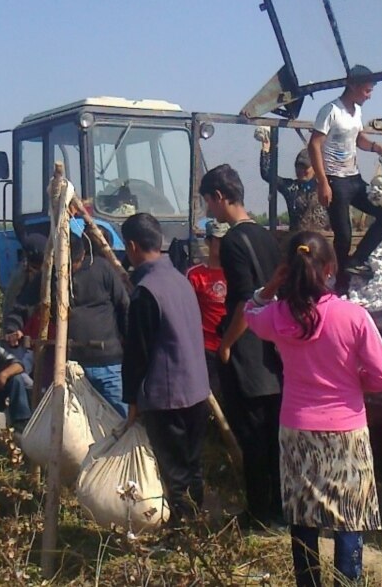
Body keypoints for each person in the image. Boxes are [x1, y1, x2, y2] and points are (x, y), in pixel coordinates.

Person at [244, 232, 382, 587]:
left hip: (296, 428)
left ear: (289, 269)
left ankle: (307, 581)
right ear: (330, 269)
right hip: (346, 429)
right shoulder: (352, 316)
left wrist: (269, 287)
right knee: (349, 513)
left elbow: (249, 313)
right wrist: (356, 381)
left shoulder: (278, 316)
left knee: (302, 514)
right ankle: (349, 581)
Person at [199, 164, 285, 528]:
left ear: (220, 197)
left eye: (208, 203)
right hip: (274, 349)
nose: (208, 211)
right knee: (274, 436)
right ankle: (280, 510)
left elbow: (243, 303)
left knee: (252, 437)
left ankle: (259, 514)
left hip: (246, 351)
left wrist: (226, 346)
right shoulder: (268, 237)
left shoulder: (234, 240)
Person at [121, 213, 211, 522]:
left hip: (167, 395)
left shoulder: (146, 290)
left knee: (174, 471)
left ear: (132, 246)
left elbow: (138, 353)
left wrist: (132, 399)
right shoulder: (180, 279)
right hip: (197, 390)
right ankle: (196, 522)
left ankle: (182, 533)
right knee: (193, 463)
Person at [4, 225, 130, 417]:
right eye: (65, 264)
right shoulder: (48, 276)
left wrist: (129, 344)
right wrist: (13, 327)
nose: (70, 269)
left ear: (83, 256)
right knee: (76, 421)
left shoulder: (102, 269)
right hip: (70, 364)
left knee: (118, 414)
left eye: (75, 263)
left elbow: (124, 307)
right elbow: (22, 306)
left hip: (107, 362)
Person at [308, 64, 382, 287]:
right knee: (344, 235)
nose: (369, 96)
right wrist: (322, 182)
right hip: (335, 180)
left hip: (354, 178)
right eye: (366, 91)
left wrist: (375, 147)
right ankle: (341, 285)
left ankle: (357, 259)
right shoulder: (330, 110)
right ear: (353, 86)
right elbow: (314, 145)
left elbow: (359, 139)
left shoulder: (356, 111)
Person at [257, 126, 330, 232]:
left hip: (323, 239)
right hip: (298, 239)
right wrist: (266, 146)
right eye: (298, 166)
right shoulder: (291, 188)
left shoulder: (325, 187)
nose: (301, 171)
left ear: (315, 167)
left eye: (305, 167)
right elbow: (267, 174)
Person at [186, 220, 228, 400]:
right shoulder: (195, 275)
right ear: (209, 242)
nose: (222, 245)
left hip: (232, 344)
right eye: (218, 240)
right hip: (206, 348)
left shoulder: (237, 273)